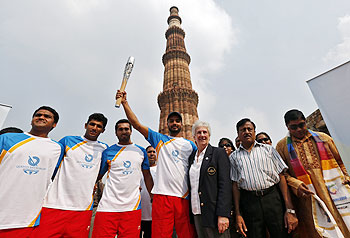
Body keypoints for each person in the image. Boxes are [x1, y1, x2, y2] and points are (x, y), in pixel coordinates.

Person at [116, 90, 196, 238]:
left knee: (187, 234)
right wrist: (125, 103)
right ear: (167, 124)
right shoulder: (159, 139)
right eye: (171, 121)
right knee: (160, 234)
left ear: (181, 123)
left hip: (183, 196)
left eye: (177, 121)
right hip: (162, 195)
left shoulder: (190, 145)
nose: (174, 123)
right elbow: (137, 125)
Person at [276, 109, 350, 237]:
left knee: (344, 223)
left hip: (335, 192)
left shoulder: (323, 138)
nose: (299, 129)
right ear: (287, 127)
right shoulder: (282, 147)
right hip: (308, 198)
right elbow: (283, 174)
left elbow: (341, 160)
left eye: (301, 125)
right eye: (294, 127)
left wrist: (346, 175)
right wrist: (296, 184)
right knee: (319, 231)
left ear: (305, 123)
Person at [35, 113, 108, 237]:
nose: (94, 128)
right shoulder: (67, 141)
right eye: (92, 124)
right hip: (54, 204)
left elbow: (99, 174)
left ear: (103, 130)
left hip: (83, 208)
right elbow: (53, 167)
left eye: (99, 126)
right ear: (86, 125)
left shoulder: (104, 149)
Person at [0, 106, 64, 237]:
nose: (41, 117)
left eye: (47, 116)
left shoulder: (57, 148)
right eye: (38, 115)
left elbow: (51, 177)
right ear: (31, 120)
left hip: (26, 219)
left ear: (54, 124)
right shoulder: (7, 138)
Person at [230, 118, 298, 238]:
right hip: (249, 202)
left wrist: (289, 208)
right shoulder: (234, 157)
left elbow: (281, 177)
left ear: (254, 132)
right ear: (238, 135)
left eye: (249, 129)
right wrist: (238, 214)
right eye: (243, 130)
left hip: (272, 198)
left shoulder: (268, 150)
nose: (246, 132)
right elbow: (235, 186)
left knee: (281, 233)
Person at [92, 119, 153, 238]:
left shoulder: (140, 151)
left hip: (132, 207)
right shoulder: (108, 152)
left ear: (131, 131)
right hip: (108, 207)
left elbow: (147, 177)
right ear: (116, 132)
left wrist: (153, 197)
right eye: (120, 129)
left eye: (126, 129)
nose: (124, 131)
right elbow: (98, 176)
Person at [189, 121, 232, 238]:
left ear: (209, 135)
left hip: (214, 212)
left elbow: (225, 185)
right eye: (199, 132)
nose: (202, 135)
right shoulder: (192, 157)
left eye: (205, 132)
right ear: (194, 137)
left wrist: (223, 214)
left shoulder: (218, 153)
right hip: (197, 212)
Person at [140, 146, 158, 238]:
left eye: (154, 152)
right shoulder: (139, 170)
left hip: (154, 215)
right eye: (149, 152)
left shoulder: (161, 170)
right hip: (139, 214)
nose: (151, 154)